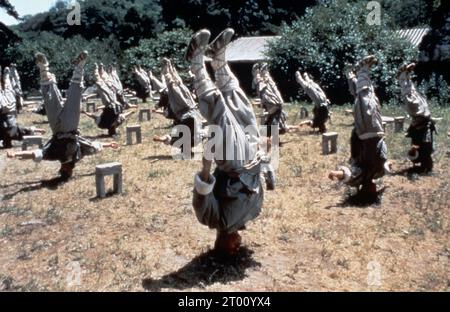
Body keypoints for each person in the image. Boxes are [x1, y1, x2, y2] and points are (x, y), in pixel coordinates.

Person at [187, 28, 265, 256]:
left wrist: (206, 165)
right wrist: (266, 160)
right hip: (251, 160)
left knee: (221, 114)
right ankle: (219, 60)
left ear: (219, 245)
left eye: (232, 249)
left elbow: (201, 196)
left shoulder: (214, 220)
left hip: (232, 164)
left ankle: (196, 65)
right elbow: (258, 186)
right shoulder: (249, 215)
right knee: (243, 108)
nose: (238, 245)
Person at [7, 51, 118, 180]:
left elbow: (35, 154)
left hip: (56, 128)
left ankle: (44, 68)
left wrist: (16, 154)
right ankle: (79, 67)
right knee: (75, 98)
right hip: (70, 127)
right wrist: (108, 145)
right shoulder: (78, 154)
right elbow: (94, 145)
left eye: (65, 171)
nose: (67, 168)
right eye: (68, 171)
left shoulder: (54, 155)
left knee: (49, 99)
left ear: (61, 169)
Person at [328, 55, 391, 202]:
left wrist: (336, 173)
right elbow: (386, 163)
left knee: (367, 101)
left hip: (368, 134)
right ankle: (352, 75)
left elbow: (349, 175)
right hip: (376, 133)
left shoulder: (362, 175)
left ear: (365, 190)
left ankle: (363, 70)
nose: (374, 188)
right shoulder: (378, 174)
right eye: (375, 191)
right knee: (367, 100)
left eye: (371, 192)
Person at [153, 58, 204, 153]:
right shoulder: (187, 141)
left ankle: (169, 69)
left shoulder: (194, 141)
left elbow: (167, 138)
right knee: (176, 87)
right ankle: (169, 69)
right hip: (188, 111)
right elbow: (167, 138)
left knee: (177, 86)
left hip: (189, 109)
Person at [397, 63, 436, 174]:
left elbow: (416, 146)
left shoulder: (417, 150)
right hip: (422, 122)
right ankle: (405, 76)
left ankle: (403, 77)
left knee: (411, 97)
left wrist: (414, 149)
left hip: (420, 122)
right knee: (414, 97)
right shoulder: (424, 151)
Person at [84, 63, 136, 136]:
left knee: (102, 86)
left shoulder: (102, 124)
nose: (114, 127)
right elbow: (124, 115)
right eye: (114, 128)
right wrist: (131, 112)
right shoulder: (117, 123)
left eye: (113, 129)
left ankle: (96, 70)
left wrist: (86, 113)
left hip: (108, 104)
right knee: (109, 86)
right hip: (113, 103)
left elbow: (94, 116)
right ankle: (101, 70)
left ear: (111, 129)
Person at [1, 67, 45, 148]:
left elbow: (19, 131)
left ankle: (6, 76)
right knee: (7, 90)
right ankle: (6, 76)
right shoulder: (10, 132)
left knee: (7, 90)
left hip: (8, 111)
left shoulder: (10, 131)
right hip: (8, 111)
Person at [252, 63, 288, 137]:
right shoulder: (264, 86)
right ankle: (269, 140)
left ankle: (269, 140)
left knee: (271, 124)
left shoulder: (265, 84)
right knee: (271, 123)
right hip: (274, 104)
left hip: (274, 104)